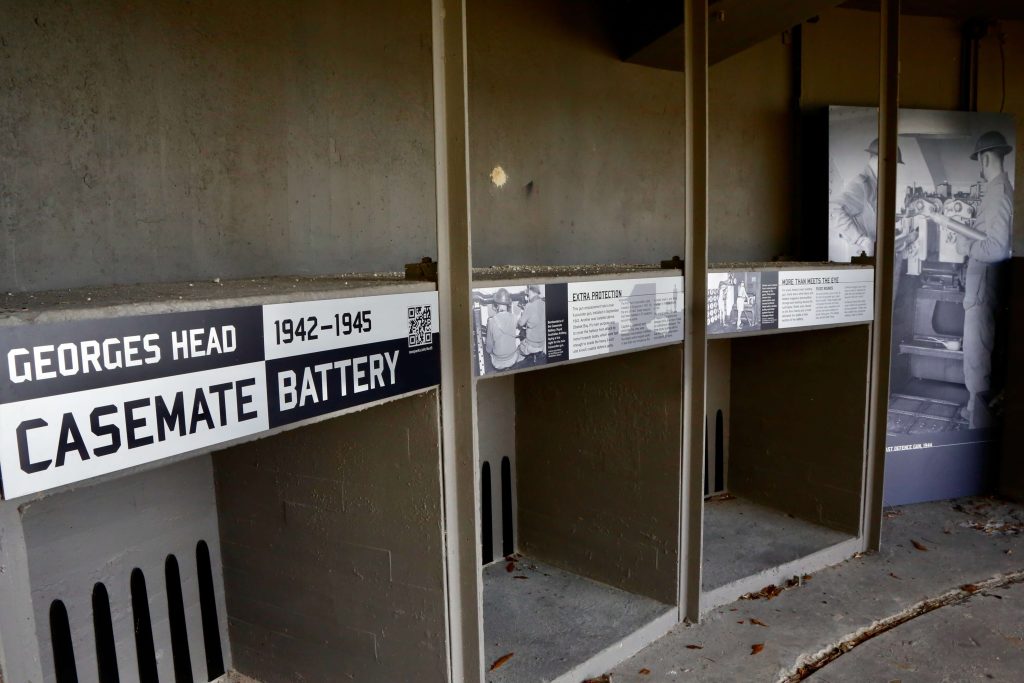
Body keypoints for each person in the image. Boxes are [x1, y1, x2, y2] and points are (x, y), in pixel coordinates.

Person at [919, 131, 1014, 427]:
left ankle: (977, 419)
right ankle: (974, 408)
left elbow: (996, 248)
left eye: (980, 162)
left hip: (983, 286)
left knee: (977, 351)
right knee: (980, 350)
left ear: (985, 159)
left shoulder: (998, 193)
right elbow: (986, 235)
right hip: (982, 284)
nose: (980, 169)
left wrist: (963, 246)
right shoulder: (998, 190)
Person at [829, 138, 904, 262]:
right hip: (862, 255)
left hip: (876, 253)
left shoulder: (876, 185)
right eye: (892, 165)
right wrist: (860, 239)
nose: (893, 171)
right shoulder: (861, 186)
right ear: (878, 161)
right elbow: (832, 209)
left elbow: (869, 214)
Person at [484, 288, 523, 371]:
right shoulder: (514, 318)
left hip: (498, 362)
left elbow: (488, 348)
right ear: (508, 303)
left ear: (497, 304)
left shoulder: (492, 321)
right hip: (513, 357)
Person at [517, 285, 546, 359]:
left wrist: (520, 316)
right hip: (542, 342)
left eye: (528, 294)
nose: (527, 296)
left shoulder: (529, 306)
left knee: (517, 350)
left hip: (532, 344)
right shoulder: (544, 303)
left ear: (531, 291)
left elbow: (521, 323)